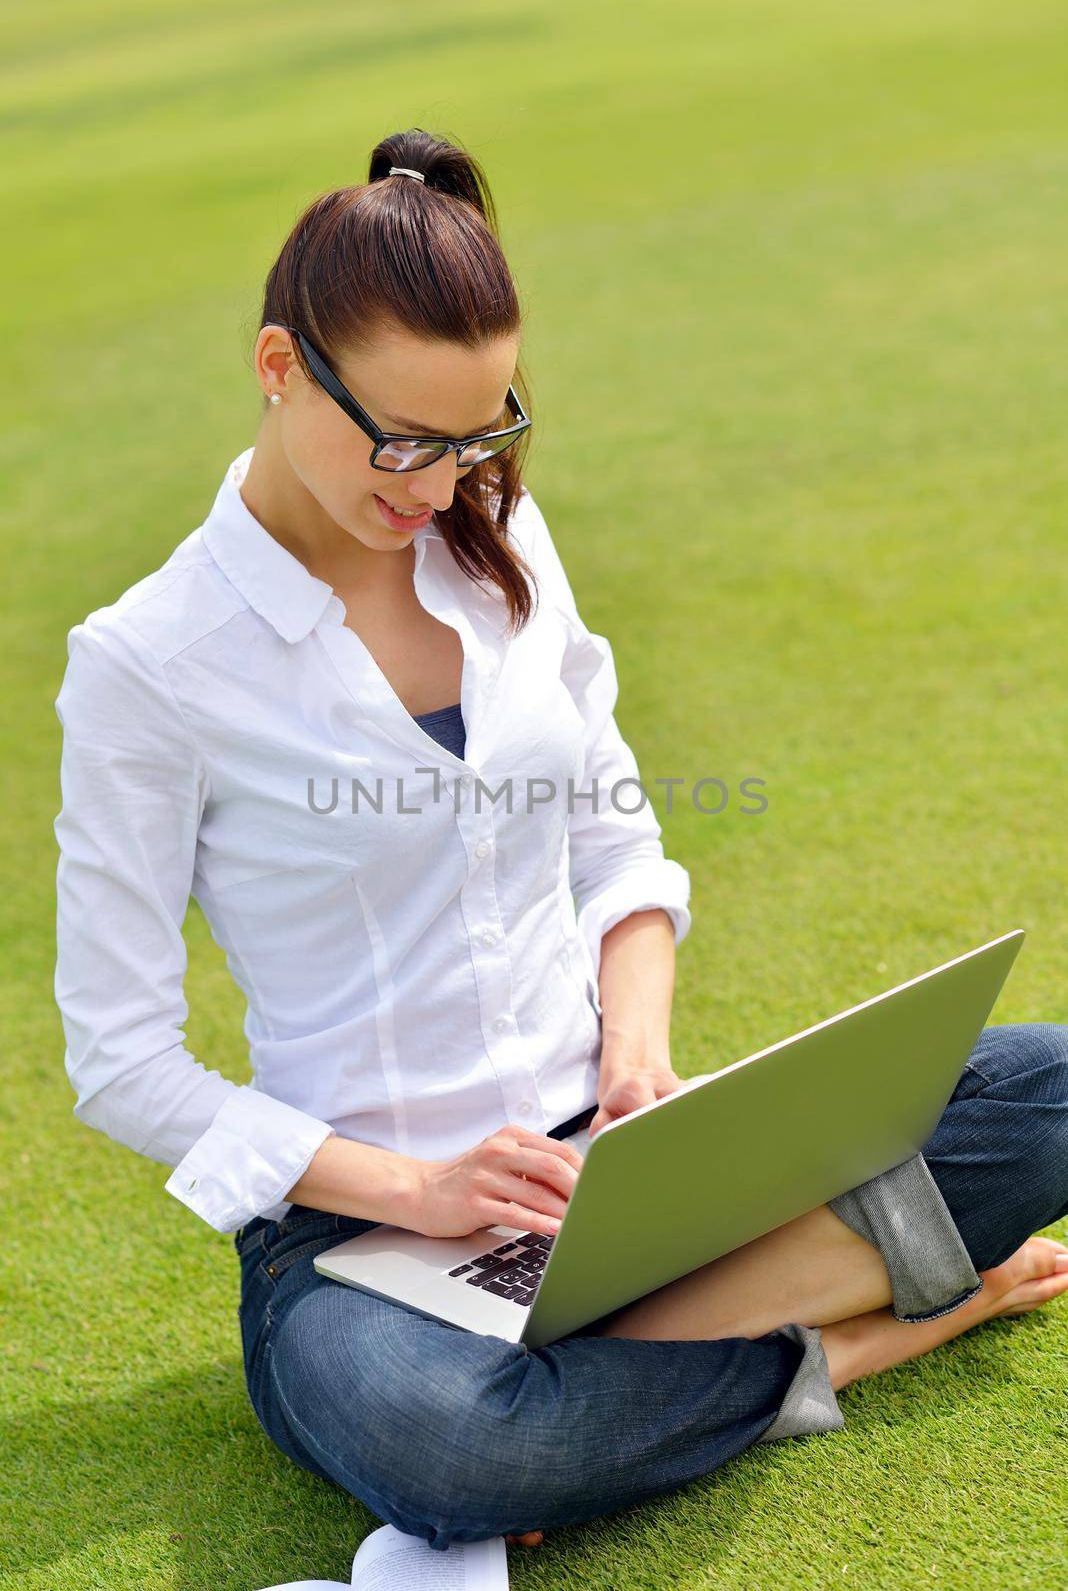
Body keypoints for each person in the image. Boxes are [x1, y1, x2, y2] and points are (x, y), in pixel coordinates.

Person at [53, 127, 1068, 1558]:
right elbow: (120, 1060)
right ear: (279, 368)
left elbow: (615, 837)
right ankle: (840, 1339)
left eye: (477, 437)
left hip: (617, 1174)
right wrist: (424, 1191)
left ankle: (625, 1371)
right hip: (358, 1248)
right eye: (399, 440)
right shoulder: (149, 663)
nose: (433, 486)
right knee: (446, 1443)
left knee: (1050, 1093)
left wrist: (641, 1063)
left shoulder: (495, 537)